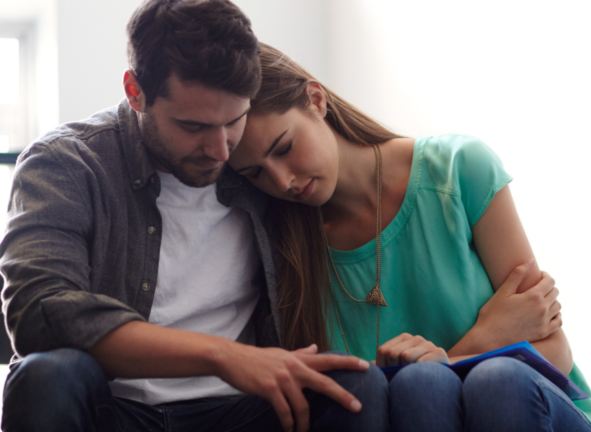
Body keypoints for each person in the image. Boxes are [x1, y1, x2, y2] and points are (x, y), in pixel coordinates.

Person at [0, 2, 388, 432]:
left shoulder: (262, 170)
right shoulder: (67, 163)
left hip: (243, 412)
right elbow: (38, 309)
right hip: (116, 407)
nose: (221, 151)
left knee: (356, 386)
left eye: (234, 121)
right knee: (47, 377)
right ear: (135, 92)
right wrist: (222, 355)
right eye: (193, 127)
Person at [228, 44, 591, 432]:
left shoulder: (458, 169)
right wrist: (473, 345)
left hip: (537, 410)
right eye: (255, 174)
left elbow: (556, 351)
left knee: (495, 382)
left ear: (316, 100)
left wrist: (442, 365)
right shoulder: (288, 255)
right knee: (420, 387)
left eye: (284, 148)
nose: (282, 181)